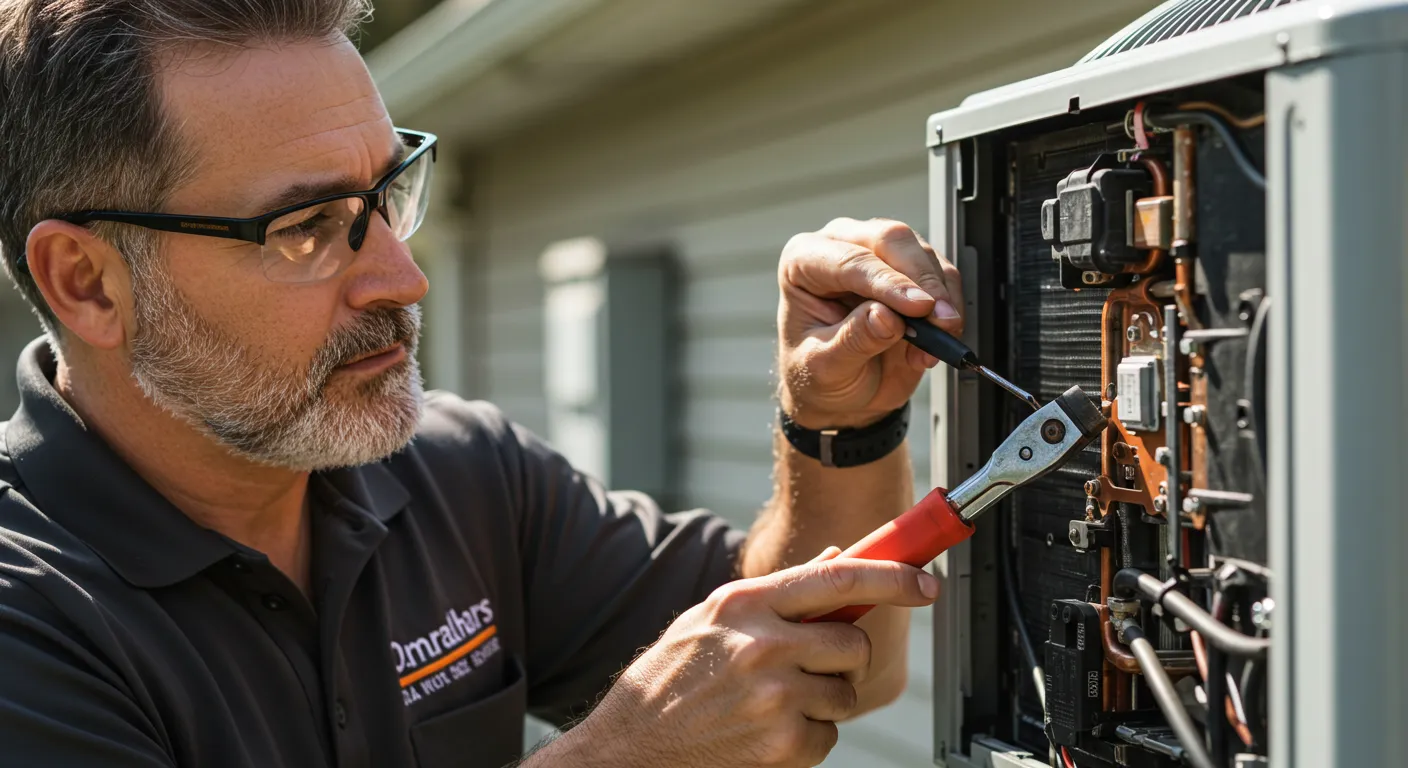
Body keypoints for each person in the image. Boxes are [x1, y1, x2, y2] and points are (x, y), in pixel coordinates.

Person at [0, 1, 966, 766]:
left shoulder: (455, 476)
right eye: (303, 228)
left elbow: (844, 669)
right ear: (87, 282)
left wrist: (840, 426)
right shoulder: (27, 617)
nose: (402, 279)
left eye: (384, 197)